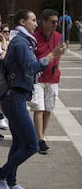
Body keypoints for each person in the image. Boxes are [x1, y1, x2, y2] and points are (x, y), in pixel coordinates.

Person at [0, 9, 66, 189]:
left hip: (16, 96)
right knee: (32, 144)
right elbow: (31, 67)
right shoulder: (22, 42)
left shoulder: (24, 42)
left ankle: (12, 182)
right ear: (22, 22)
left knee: (18, 142)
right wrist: (51, 55)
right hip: (14, 98)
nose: (36, 24)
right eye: (32, 20)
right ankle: (0, 175)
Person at [28, 9, 62, 154]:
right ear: (44, 22)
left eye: (57, 22)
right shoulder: (34, 38)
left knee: (48, 109)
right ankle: (41, 139)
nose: (56, 24)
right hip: (38, 79)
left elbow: (58, 56)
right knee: (38, 108)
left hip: (53, 78)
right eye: (53, 22)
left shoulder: (59, 37)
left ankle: (40, 135)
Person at [0, 23, 10, 130]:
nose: (6, 33)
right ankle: (0, 119)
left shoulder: (13, 42)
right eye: (4, 31)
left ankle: (2, 117)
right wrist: (4, 42)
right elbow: (2, 57)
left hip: (9, 74)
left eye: (8, 31)